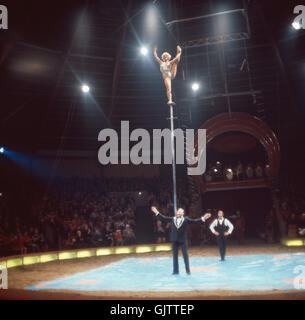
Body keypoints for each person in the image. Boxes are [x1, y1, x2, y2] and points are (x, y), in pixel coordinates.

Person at [151, 206, 211, 275]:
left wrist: (203, 218)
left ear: (183, 213)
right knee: (175, 256)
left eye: (181, 212)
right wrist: (156, 212)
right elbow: (163, 218)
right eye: (178, 211)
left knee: (185, 256)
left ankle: (188, 271)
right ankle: (175, 271)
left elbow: (194, 221)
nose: (179, 213)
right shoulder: (172, 219)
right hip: (174, 240)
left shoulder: (186, 219)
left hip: (182, 240)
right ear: (176, 212)